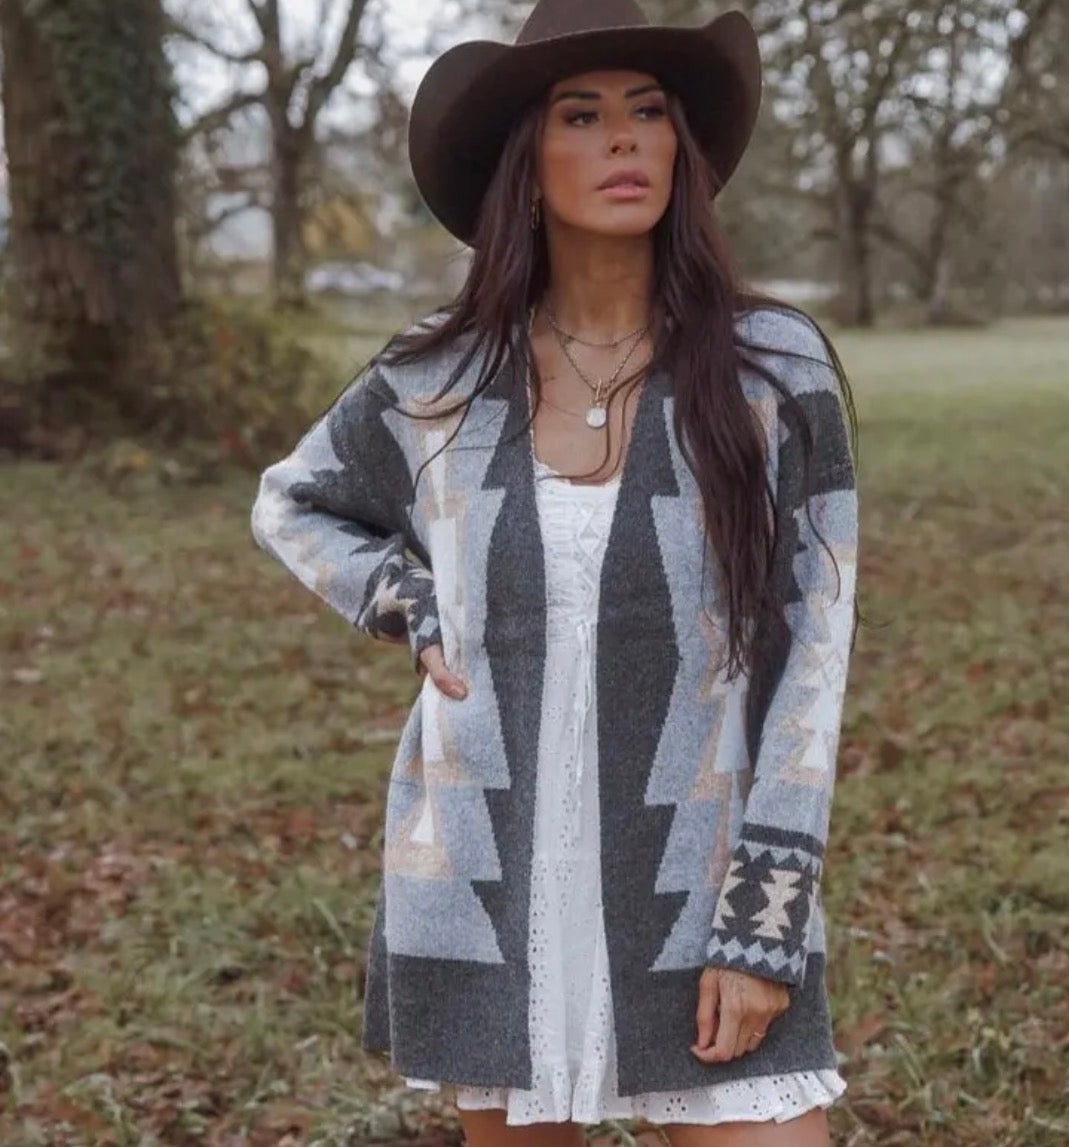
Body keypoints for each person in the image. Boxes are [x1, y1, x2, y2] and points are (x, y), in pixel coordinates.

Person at [249, 0, 860, 1143]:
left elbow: (812, 659)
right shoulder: (440, 375)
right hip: (492, 886)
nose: (624, 140)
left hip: (704, 881)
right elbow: (295, 500)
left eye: (648, 114)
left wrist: (763, 925)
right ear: (526, 164)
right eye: (582, 115)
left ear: (684, 150)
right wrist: (411, 598)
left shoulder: (774, 370)